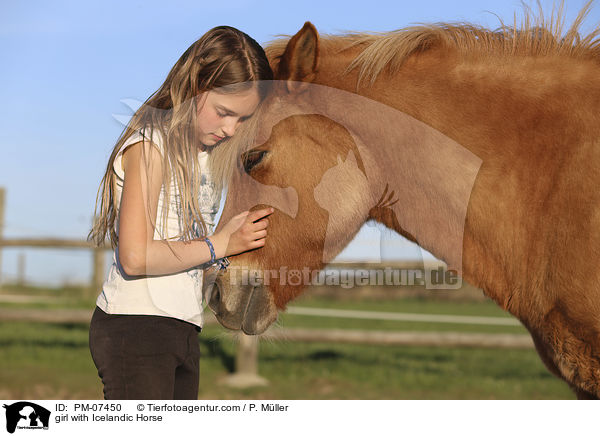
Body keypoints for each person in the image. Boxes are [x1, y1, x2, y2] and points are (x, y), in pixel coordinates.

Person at [87, 26, 274, 400]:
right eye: (224, 113)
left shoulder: (203, 160)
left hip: (183, 327)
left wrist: (227, 274)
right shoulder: (150, 146)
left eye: (241, 120)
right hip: (136, 327)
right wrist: (220, 244)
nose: (230, 129)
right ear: (195, 86)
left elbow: (185, 245)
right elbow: (136, 256)